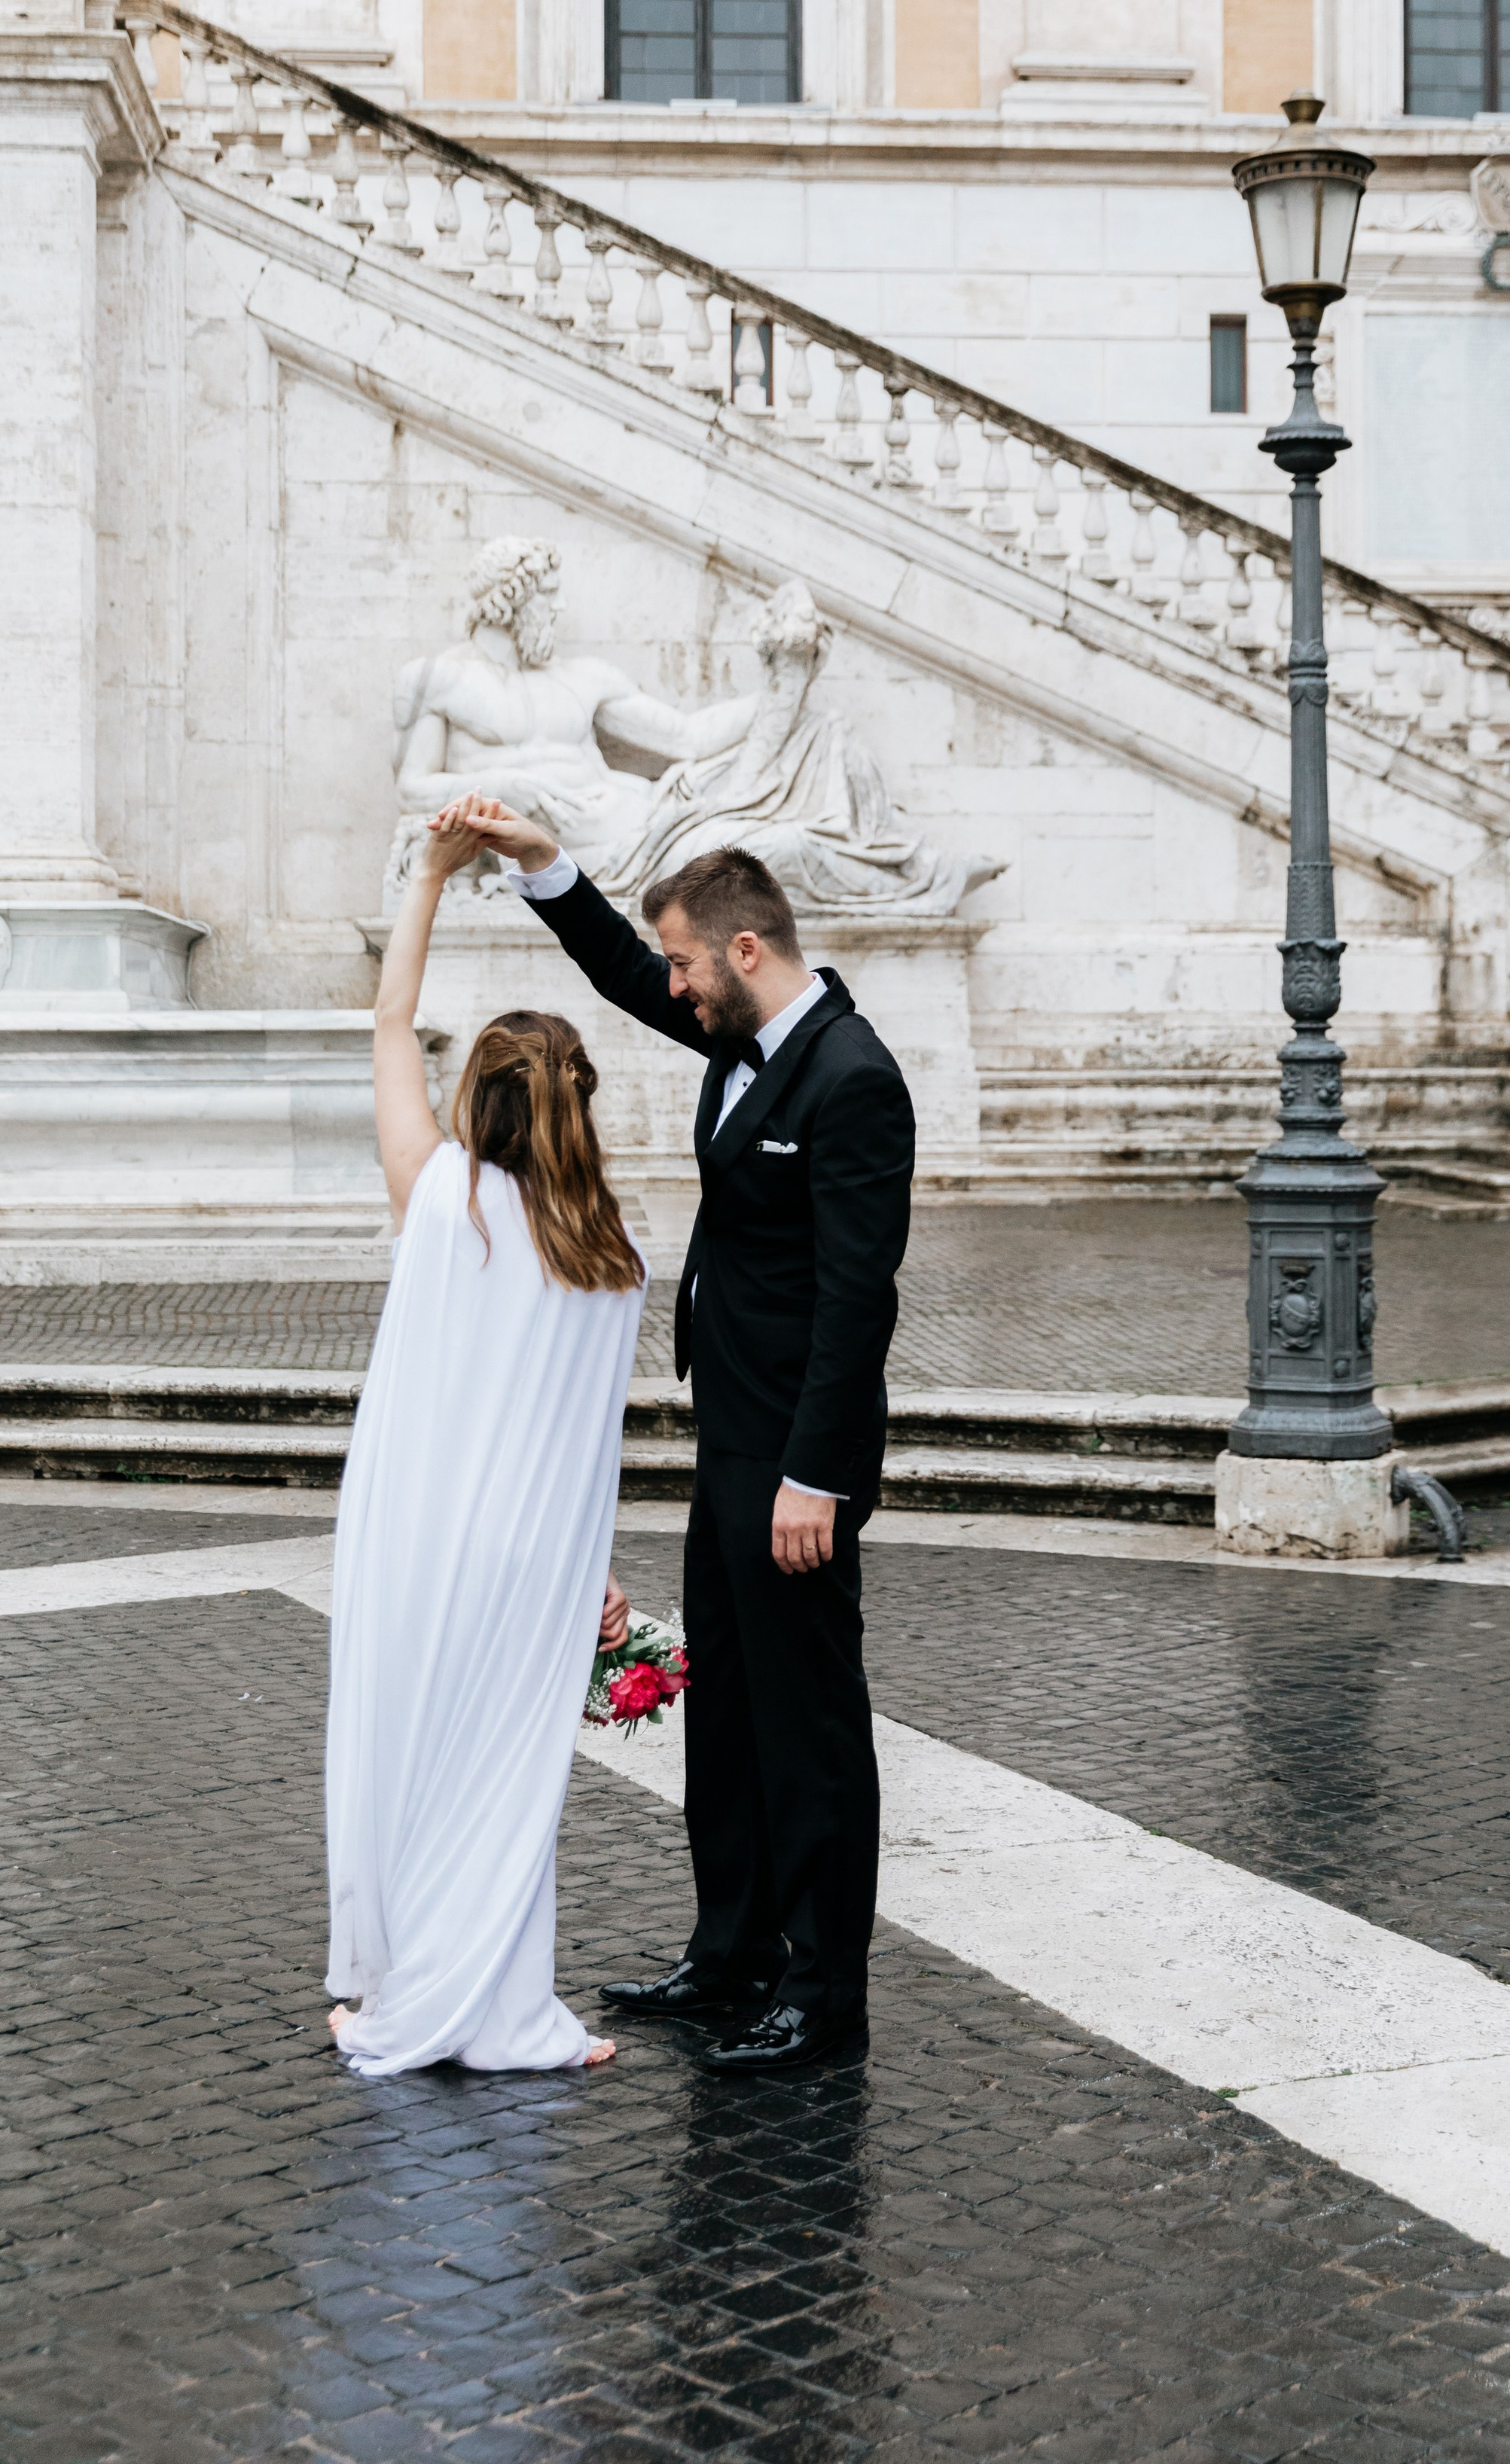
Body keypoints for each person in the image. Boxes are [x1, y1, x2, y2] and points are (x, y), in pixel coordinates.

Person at [431, 793, 915, 2075]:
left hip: (795, 1460)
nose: (678, 991)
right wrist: (544, 865)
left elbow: (861, 1301)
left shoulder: (854, 1079)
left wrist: (818, 1476)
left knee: (808, 1726)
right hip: (734, 1437)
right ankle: (732, 1952)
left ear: (746, 952)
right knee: (732, 1711)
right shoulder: (741, 1039)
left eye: (692, 964)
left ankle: (823, 1997)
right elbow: (631, 972)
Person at [324, 809, 646, 2077]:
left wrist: (431, 877)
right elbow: (589, 1442)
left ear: (481, 1098)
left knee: (411, 1760)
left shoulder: (439, 1193)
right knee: (511, 1786)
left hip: (414, 1534)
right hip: (537, 1555)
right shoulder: (612, 1256)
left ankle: (404, 1998)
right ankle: (512, 2018)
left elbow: (389, 1024)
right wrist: (596, 1570)